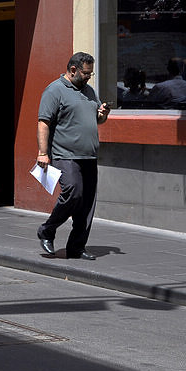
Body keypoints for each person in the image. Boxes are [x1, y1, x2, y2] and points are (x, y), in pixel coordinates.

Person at [35, 52, 111, 260]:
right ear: (73, 69)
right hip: (64, 154)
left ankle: (77, 247)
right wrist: (43, 153)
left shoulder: (89, 91)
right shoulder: (54, 90)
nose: (88, 77)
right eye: (86, 73)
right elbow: (43, 123)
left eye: (90, 73)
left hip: (89, 155)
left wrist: (102, 114)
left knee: (86, 204)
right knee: (73, 192)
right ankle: (47, 230)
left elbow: (96, 120)